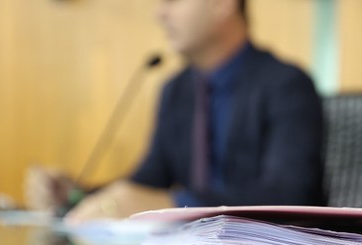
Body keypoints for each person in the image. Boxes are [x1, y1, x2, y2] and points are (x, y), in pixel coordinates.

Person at [25, 0, 325, 222]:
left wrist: (176, 204)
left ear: (222, 4)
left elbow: (288, 194)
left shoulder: (286, 84)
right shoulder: (176, 90)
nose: (159, 13)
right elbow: (148, 182)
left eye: (172, 0)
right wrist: (77, 195)